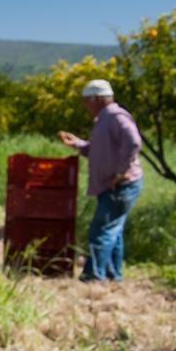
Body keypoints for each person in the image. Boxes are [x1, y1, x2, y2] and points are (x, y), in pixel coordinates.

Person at [58, 79, 143, 282]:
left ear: (97, 99)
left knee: (101, 230)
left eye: (86, 101)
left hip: (121, 185)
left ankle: (93, 275)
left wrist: (121, 172)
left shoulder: (115, 117)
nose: (85, 106)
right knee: (113, 230)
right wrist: (77, 144)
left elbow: (134, 141)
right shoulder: (104, 119)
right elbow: (98, 150)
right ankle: (113, 274)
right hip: (113, 185)